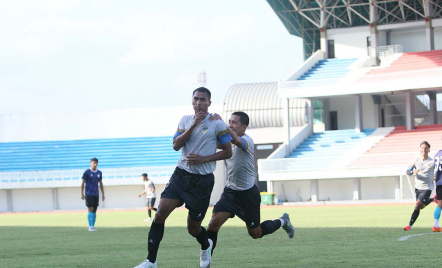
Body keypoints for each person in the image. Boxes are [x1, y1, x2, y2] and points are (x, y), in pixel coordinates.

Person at [134, 87, 233, 268]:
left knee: (193, 229)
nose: (199, 102)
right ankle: (151, 261)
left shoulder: (217, 124)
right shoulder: (185, 120)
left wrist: (204, 158)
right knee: (160, 215)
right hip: (181, 176)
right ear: (192, 101)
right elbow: (175, 145)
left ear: (209, 103)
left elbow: (228, 152)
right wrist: (194, 124)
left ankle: (206, 245)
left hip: (202, 182)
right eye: (196, 99)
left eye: (203, 99)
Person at [207, 111, 295, 257]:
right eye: (229, 122)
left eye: (234, 122)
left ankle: (283, 221)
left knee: (256, 233)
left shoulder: (247, 141)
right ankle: (206, 263)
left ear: (244, 127)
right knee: (213, 225)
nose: (230, 125)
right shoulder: (226, 142)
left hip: (248, 195)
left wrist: (221, 123)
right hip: (230, 193)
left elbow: (236, 140)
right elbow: (211, 141)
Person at [403, 141, 435, 231]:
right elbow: (407, 171)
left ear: (429, 149)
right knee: (420, 206)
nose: (424, 150)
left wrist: (436, 176)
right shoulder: (416, 160)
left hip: (427, 187)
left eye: (426, 148)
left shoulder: (432, 162)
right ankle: (432, 199)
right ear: (420, 149)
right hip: (418, 187)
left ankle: (409, 225)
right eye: (422, 148)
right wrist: (413, 172)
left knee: (417, 205)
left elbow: (438, 171)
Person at [81, 158, 105, 232]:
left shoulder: (99, 173)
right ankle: (90, 226)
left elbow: (101, 183)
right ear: (90, 163)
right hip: (89, 193)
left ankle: (93, 226)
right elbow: (83, 183)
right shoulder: (87, 172)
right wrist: (82, 193)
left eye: (96, 163)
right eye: (93, 163)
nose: (95, 164)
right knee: (90, 209)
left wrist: (103, 193)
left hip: (96, 193)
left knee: (95, 210)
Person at [432, 146, 442, 232]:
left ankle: (436, 225)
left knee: (440, 204)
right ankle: (435, 226)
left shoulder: (437, 154)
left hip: (439, 182)